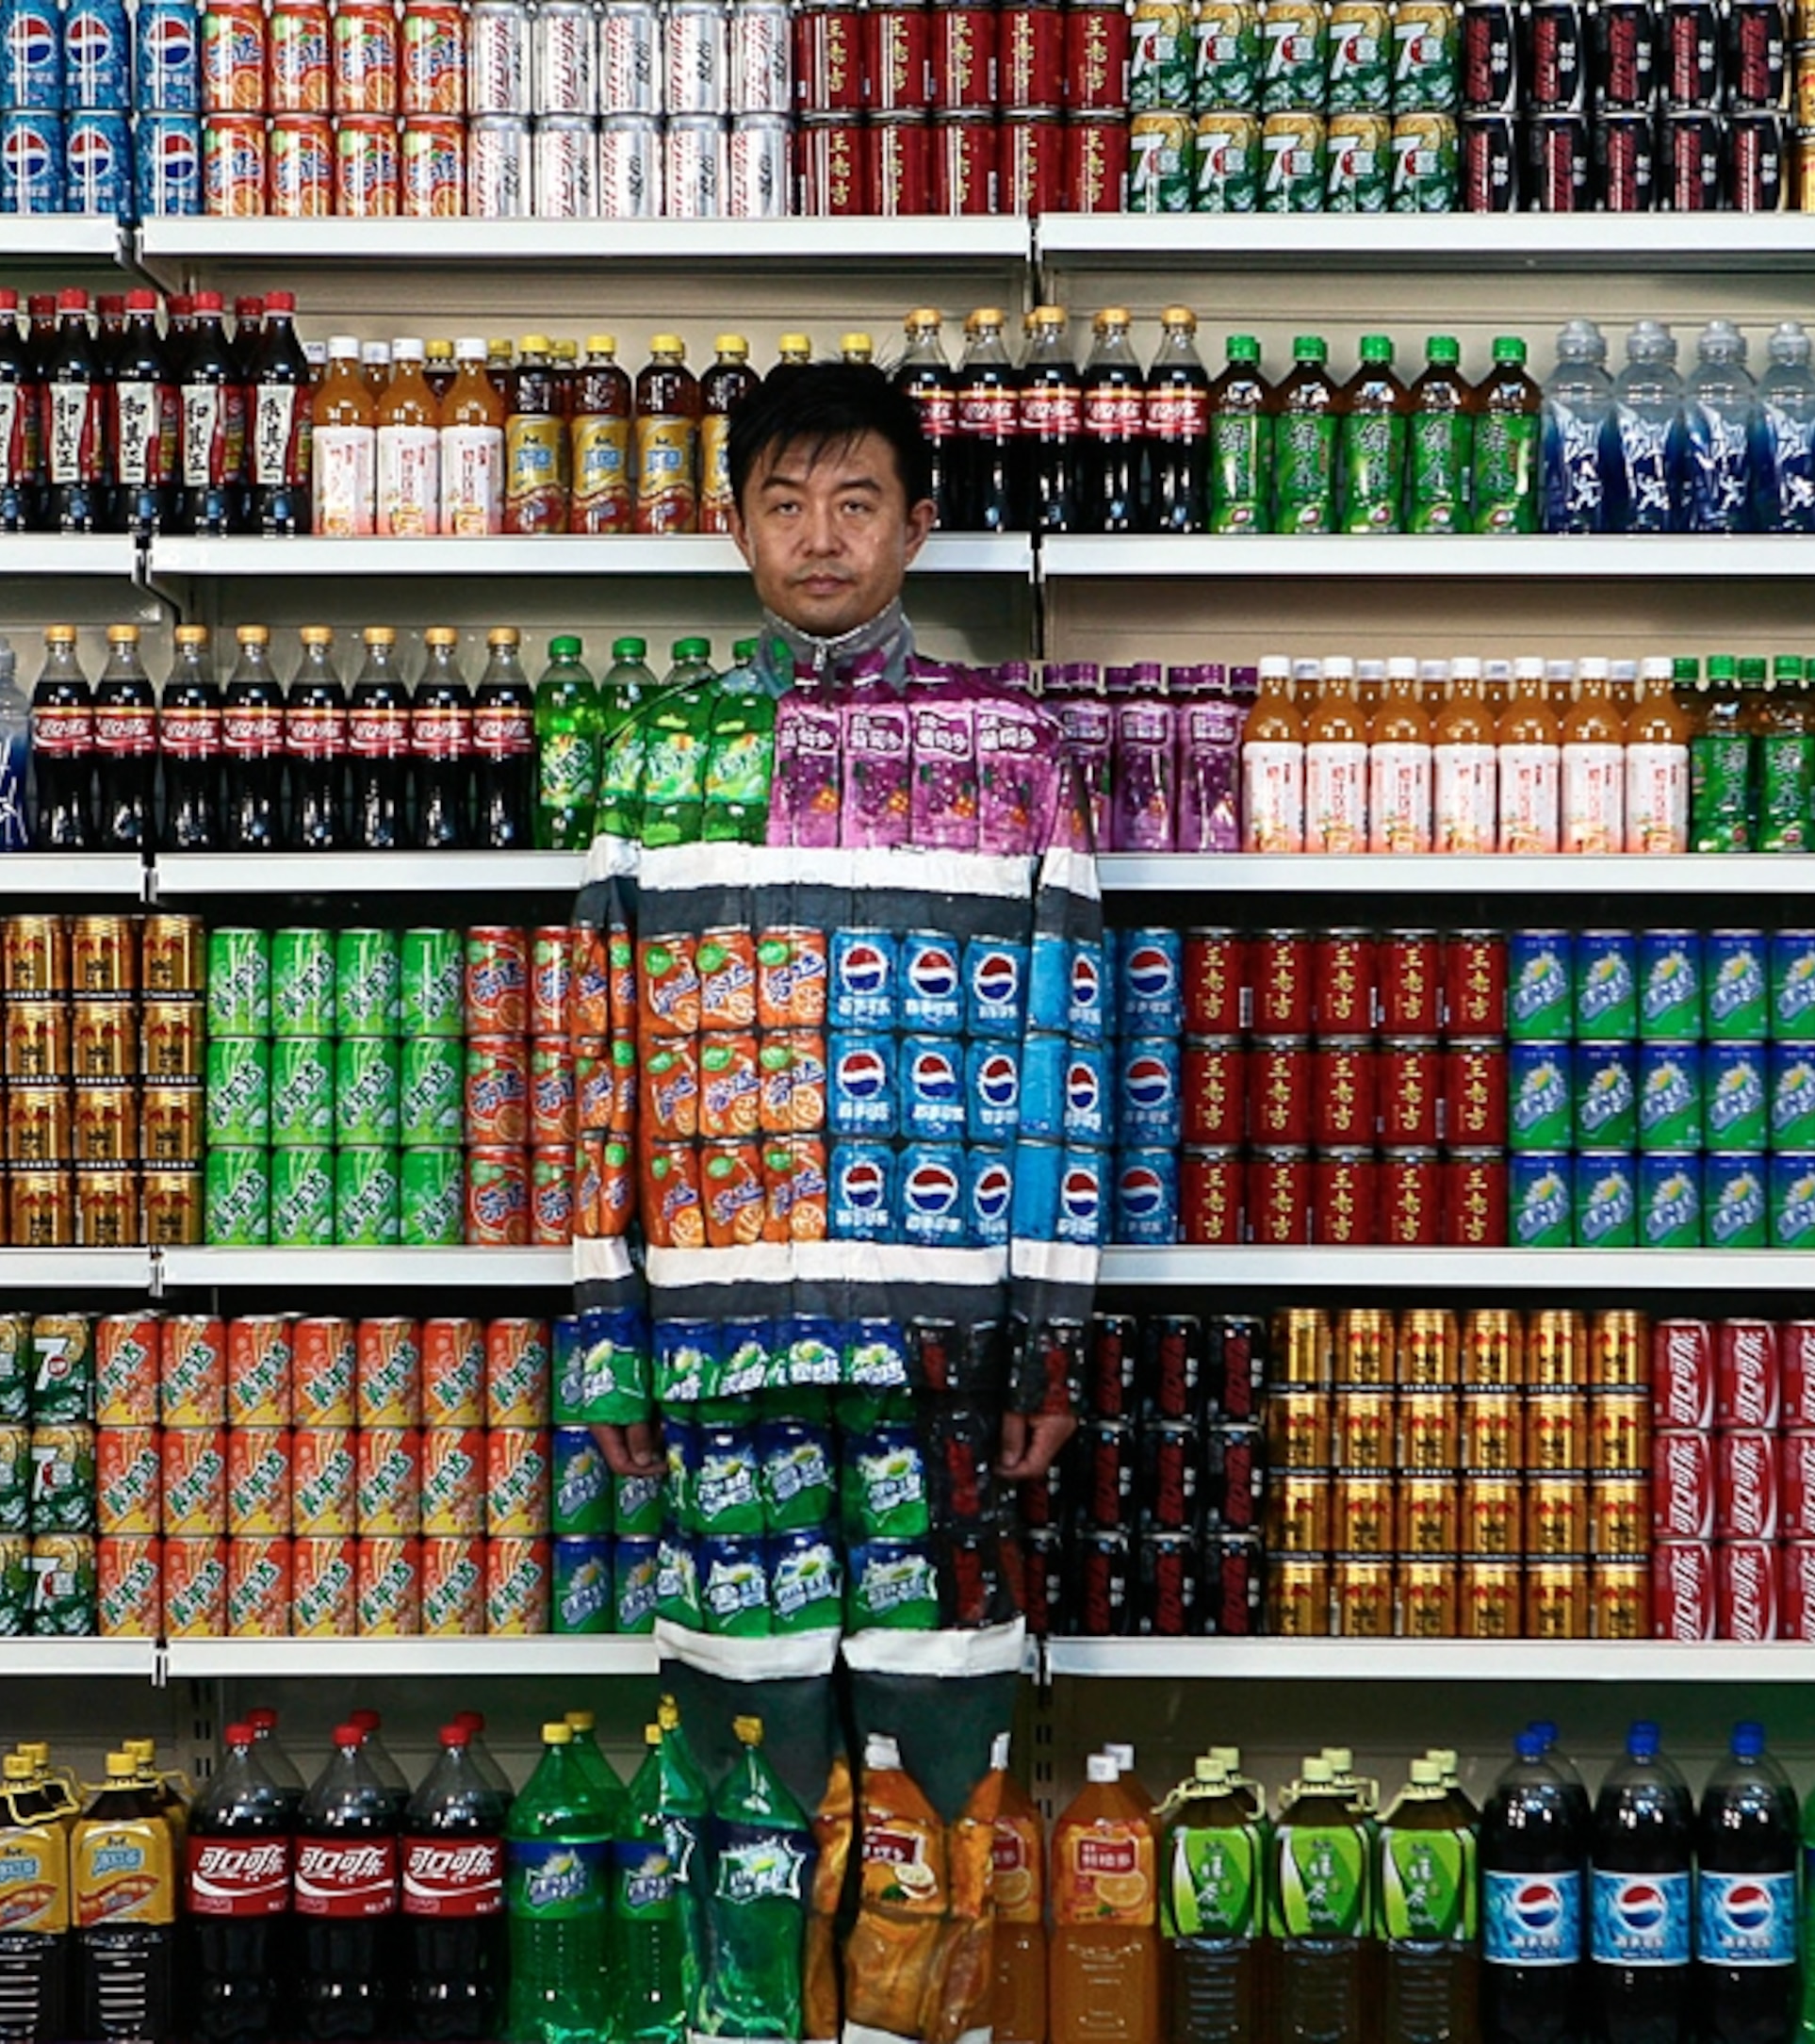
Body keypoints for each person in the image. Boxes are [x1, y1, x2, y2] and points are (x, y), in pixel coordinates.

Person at [574, 358, 1097, 2044]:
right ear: (730, 526)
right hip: (725, 1347)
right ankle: (743, 2027)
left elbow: (1064, 1044)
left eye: (856, 499)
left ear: (920, 524)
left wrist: (1051, 1338)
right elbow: (600, 1062)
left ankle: (925, 2032)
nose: (820, 535)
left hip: (946, 1348)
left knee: (945, 1757)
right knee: (748, 1756)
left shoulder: (1009, 745)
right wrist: (609, 1336)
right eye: (785, 501)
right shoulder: (658, 751)